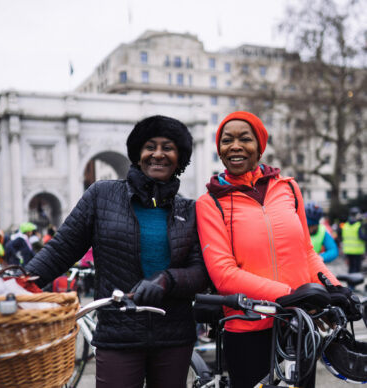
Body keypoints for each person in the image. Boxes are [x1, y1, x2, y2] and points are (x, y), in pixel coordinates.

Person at [25, 115, 208, 388]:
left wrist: (166, 280)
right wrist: (20, 285)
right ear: (137, 153)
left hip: (174, 335)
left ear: (179, 156)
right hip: (118, 333)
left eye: (168, 147)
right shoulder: (101, 195)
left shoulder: (190, 210)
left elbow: (200, 272)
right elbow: (61, 249)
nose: (158, 154)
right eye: (150, 146)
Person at [196, 111, 345, 388]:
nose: (235, 146)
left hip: (298, 326)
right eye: (227, 140)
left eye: (245, 139)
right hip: (247, 326)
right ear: (219, 151)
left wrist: (334, 288)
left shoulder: (289, 188)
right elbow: (224, 275)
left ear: (259, 146)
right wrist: (292, 296)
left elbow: (307, 253)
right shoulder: (209, 203)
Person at [341, 206, 367, 273]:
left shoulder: (345, 225)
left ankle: (350, 283)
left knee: (351, 268)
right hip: (357, 251)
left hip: (348, 251)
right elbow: (362, 237)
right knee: (357, 269)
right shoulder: (358, 225)